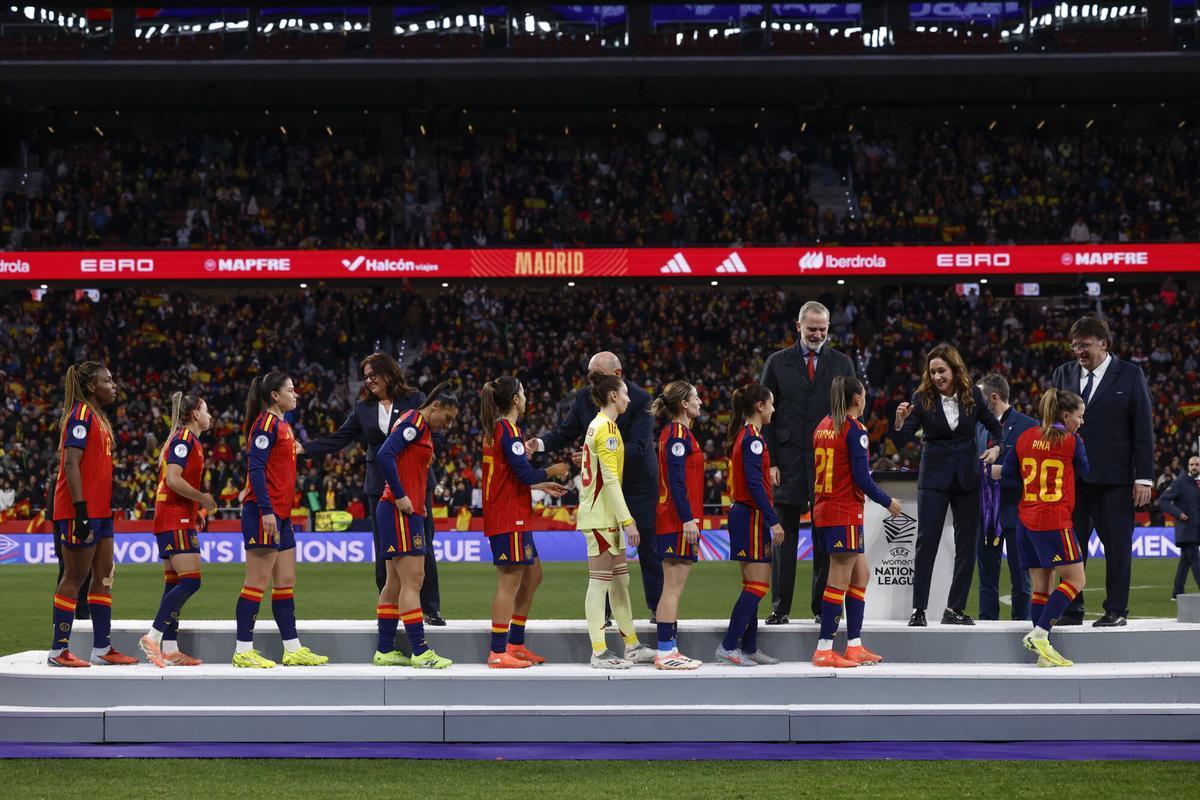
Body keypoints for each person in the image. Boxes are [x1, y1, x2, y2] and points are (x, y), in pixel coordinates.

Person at [298, 353, 445, 626]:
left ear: (388, 372)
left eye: (372, 375)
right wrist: (304, 448)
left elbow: (435, 429)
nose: (369, 381)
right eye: (365, 377)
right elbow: (339, 438)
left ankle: (430, 608)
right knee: (384, 549)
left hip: (416, 483)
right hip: (380, 486)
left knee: (422, 544)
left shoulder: (415, 399)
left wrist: (430, 448)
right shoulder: (362, 408)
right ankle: (389, 610)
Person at [527, 352, 661, 620]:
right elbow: (565, 432)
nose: (591, 379)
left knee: (648, 548)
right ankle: (606, 614)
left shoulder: (640, 399)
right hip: (605, 485)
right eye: (589, 374)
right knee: (606, 549)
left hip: (638, 484)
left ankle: (658, 609)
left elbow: (639, 447)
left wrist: (594, 455)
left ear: (618, 374)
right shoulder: (583, 397)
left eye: (597, 374)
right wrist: (538, 444)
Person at [1050, 316, 1155, 627]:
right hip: (1072, 479)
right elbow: (1052, 424)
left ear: (1104, 344)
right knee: (1071, 547)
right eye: (1074, 346)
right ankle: (1072, 609)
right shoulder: (1063, 373)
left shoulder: (1131, 375)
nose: (1078, 352)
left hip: (1116, 480)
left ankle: (1116, 610)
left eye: (1084, 345)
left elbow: (1143, 429)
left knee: (1118, 547)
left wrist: (1144, 477)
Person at [759, 300, 856, 626]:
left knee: (825, 537)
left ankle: (822, 609)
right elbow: (763, 415)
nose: (817, 334)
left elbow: (852, 414)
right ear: (798, 327)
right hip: (786, 463)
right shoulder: (777, 362)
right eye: (812, 329)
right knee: (782, 537)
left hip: (828, 463)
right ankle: (780, 608)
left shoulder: (842, 363)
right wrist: (770, 461)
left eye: (823, 329)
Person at [892, 344, 1002, 627]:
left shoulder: (972, 395)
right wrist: (900, 421)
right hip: (933, 480)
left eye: (941, 370)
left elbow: (996, 428)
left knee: (967, 546)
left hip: (967, 479)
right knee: (926, 541)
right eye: (932, 372)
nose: (937, 376)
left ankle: (955, 609)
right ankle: (919, 610)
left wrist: (996, 448)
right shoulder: (921, 398)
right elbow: (902, 440)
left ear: (954, 369)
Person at [233, 372, 328, 668]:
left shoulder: (283, 425)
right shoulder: (265, 425)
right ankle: (242, 650)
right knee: (256, 582)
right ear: (275, 395)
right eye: (290, 389)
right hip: (265, 513)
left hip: (282, 515)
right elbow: (256, 469)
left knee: (285, 581)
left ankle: (292, 649)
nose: (296, 394)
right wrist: (266, 510)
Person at [48, 361, 136, 667]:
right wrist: (81, 510)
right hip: (80, 510)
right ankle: (58, 651)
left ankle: (101, 648)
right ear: (90, 387)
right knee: (74, 577)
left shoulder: (98, 418)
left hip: (102, 511)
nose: (114, 385)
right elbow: (71, 463)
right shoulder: (81, 415)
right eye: (107, 380)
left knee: (105, 576)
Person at [811, 376, 903, 668]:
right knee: (838, 578)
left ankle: (854, 646)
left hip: (826, 508)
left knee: (860, 575)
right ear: (857, 399)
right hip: (844, 511)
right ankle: (824, 649)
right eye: (864, 396)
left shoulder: (823, 425)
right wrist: (888, 502)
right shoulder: (854, 429)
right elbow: (862, 478)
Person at [480, 376, 569, 669]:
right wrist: (552, 471)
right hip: (508, 516)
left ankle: (515, 644)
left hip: (511, 512)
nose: (527, 398)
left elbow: (510, 476)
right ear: (515, 400)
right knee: (510, 581)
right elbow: (524, 474)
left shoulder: (501, 430)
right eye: (523, 393)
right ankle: (498, 651)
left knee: (533, 576)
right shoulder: (508, 431)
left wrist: (541, 485)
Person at [373, 382, 460, 669]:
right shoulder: (415, 423)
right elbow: (384, 454)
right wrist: (400, 495)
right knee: (414, 580)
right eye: (447, 417)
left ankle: (385, 650)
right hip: (401, 510)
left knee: (395, 582)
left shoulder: (415, 424)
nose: (447, 424)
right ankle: (420, 652)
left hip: (398, 509)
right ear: (435, 406)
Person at [1001, 389, 1089, 667]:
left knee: (1041, 587)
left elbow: (1008, 473)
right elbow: (1085, 471)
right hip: (1054, 520)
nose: (1081, 422)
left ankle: (1044, 653)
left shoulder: (1024, 437)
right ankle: (1040, 634)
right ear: (1066, 415)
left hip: (1025, 519)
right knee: (1076, 581)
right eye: (1079, 416)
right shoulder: (1071, 441)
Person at [576, 371, 657, 669]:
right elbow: (610, 479)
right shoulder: (607, 429)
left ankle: (631, 646)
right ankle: (599, 652)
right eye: (625, 394)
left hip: (605, 515)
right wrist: (628, 520)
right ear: (613, 395)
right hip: (601, 517)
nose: (628, 399)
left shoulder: (598, 425)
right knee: (599, 583)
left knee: (620, 581)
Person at [139, 392, 217, 668]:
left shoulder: (188, 440)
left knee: (174, 583)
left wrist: (195, 512)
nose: (210, 415)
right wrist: (202, 498)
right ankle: (153, 637)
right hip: (175, 519)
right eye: (206, 410)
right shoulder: (184, 440)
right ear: (195, 414)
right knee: (191, 581)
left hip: (176, 518)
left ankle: (170, 649)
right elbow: (173, 479)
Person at [716, 383, 785, 667]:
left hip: (745, 513)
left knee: (752, 585)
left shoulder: (746, 435)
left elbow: (754, 479)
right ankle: (728, 646)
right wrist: (773, 520)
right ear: (759, 406)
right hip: (751, 515)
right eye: (771, 404)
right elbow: (754, 483)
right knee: (757, 586)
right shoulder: (753, 439)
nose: (773, 409)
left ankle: (749, 647)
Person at [651, 380, 705, 670]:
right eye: (696, 397)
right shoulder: (677, 435)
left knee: (672, 588)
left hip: (675, 519)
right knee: (672, 588)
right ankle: (665, 652)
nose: (700, 402)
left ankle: (669, 649)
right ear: (684, 403)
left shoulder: (675, 433)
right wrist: (687, 519)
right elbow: (676, 481)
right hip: (676, 520)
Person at [978, 373, 1037, 621]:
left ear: (993, 397)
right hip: (984, 515)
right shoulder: (977, 426)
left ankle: (1021, 627)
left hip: (1017, 512)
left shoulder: (1029, 426)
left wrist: (1005, 472)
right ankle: (986, 625)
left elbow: (1036, 471)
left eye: (978, 396)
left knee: (1021, 581)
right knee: (986, 580)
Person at [1158, 455, 1200, 600]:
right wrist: (1179, 514)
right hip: (1186, 529)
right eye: (1191, 464)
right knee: (1196, 560)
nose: (1194, 467)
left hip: (1195, 529)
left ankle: (1177, 592)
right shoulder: (1181, 482)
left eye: (1197, 464)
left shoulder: (1196, 484)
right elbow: (1163, 500)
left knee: (1185, 562)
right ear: (1188, 466)